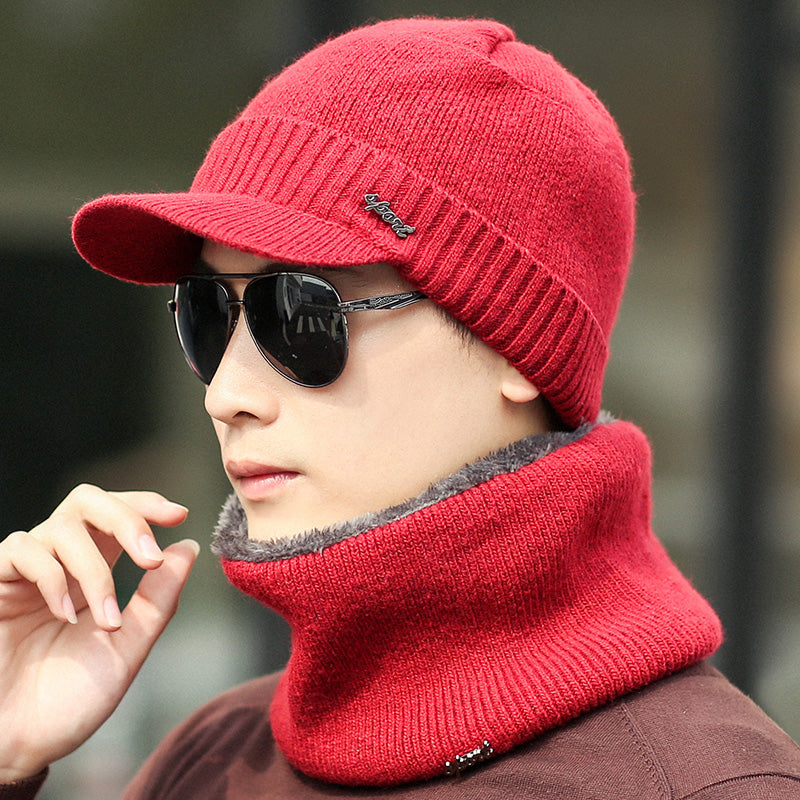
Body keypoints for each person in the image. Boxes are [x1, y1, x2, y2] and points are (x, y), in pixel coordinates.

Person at [2, 16, 799, 800]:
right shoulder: (212, 758)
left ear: (512, 346)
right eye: (208, 314)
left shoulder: (707, 785)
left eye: (301, 313)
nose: (225, 393)